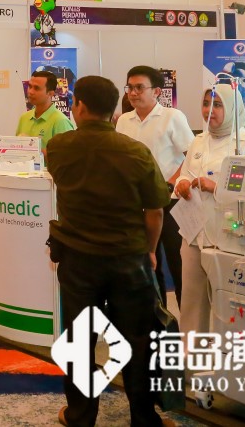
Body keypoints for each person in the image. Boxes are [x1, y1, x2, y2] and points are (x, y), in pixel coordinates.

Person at [47, 76, 173, 427]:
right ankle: (144, 418)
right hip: (128, 258)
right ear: (116, 107)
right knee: (137, 341)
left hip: (77, 259)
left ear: (79, 106)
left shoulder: (58, 147)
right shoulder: (136, 151)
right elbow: (155, 211)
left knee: (79, 340)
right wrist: (150, 251)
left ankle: (80, 416)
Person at [175, 84, 245, 336]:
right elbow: (185, 173)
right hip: (194, 233)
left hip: (228, 238)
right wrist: (182, 184)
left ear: (233, 108)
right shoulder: (199, 141)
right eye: (206, 104)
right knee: (192, 303)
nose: (209, 110)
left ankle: (230, 355)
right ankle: (192, 356)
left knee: (229, 304)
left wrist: (215, 188)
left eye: (217, 105)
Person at [116, 65, 194, 308]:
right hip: (137, 204)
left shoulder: (172, 117)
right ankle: (158, 318)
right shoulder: (124, 121)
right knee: (148, 265)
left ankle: (187, 320)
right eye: (130, 87)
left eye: (139, 87)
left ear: (157, 91)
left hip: (170, 203)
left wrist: (169, 184)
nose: (133, 93)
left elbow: (191, 156)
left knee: (177, 264)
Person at [16, 70, 75, 152]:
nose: (30, 92)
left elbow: (67, 155)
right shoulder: (24, 118)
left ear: (50, 93)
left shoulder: (61, 121)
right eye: (30, 86)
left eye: (36, 88)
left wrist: (33, 150)